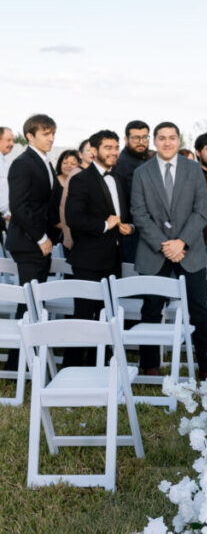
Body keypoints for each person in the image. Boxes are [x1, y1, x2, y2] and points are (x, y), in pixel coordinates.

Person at [130, 121, 207, 379]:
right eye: (162, 138)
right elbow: (139, 214)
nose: (167, 142)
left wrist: (181, 242)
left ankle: (206, 366)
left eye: (172, 137)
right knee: (151, 309)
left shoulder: (193, 169)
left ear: (179, 140)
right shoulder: (142, 173)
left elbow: (201, 211)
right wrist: (165, 245)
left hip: (190, 251)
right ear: (155, 141)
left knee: (199, 309)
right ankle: (150, 365)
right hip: (154, 252)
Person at [65, 130, 134, 364]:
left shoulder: (119, 179)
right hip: (87, 261)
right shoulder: (80, 179)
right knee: (84, 316)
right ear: (94, 151)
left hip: (113, 259)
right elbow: (74, 219)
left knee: (108, 316)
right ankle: (72, 367)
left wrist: (129, 227)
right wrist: (105, 224)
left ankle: (102, 365)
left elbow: (126, 215)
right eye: (108, 147)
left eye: (116, 147)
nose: (114, 152)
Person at [5, 114, 61, 370]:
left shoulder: (45, 162)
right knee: (29, 302)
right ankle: (18, 365)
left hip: (41, 240)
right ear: (30, 136)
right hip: (29, 242)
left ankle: (26, 363)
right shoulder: (23, 163)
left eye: (52, 133)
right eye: (45, 134)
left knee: (33, 301)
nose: (51, 138)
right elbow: (19, 206)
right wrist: (40, 238)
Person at [113, 120, 152, 264]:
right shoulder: (120, 164)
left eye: (144, 137)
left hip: (147, 231)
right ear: (126, 139)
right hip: (130, 231)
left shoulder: (149, 159)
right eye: (136, 138)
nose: (141, 142)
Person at [0, 125, 15, 231]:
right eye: (8, 140)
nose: (12, 144)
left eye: (12, 140)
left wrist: (6, 213)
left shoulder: (3, 161)